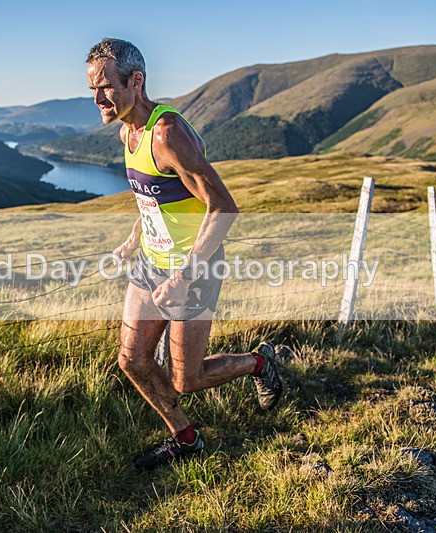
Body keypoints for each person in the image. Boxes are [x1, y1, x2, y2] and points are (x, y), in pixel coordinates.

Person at [86, 38, 288, 468]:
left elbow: (223, 206)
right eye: (93, 90)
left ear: (135, 81)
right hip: (149, 264)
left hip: (192, 269)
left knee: (186, 377)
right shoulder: (127, 128)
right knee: (133, 361)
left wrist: (184, 275)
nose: (98, 98)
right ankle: (186, 439)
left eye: (105, 87)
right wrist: (133, 238)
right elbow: (154, 195)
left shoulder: (167, 133)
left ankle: (259, 362)